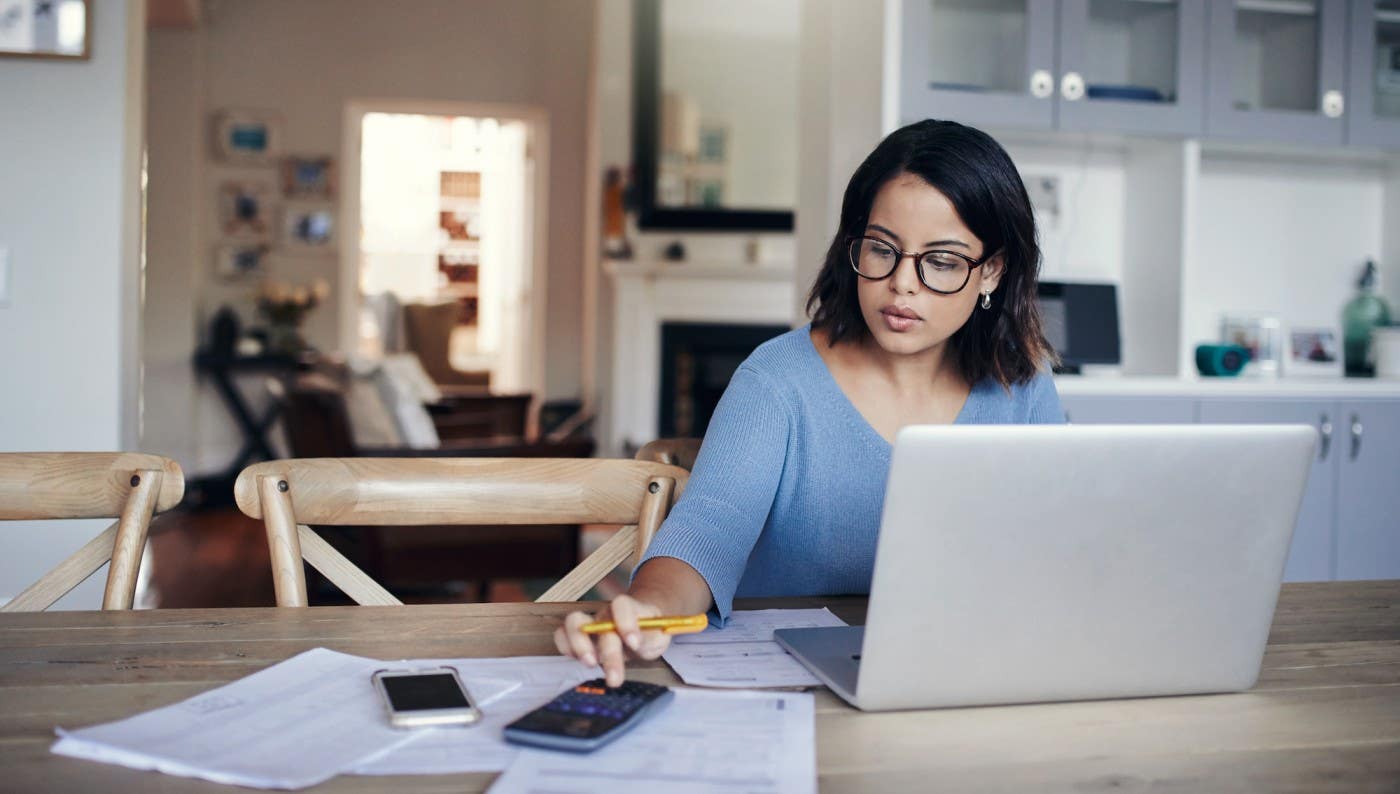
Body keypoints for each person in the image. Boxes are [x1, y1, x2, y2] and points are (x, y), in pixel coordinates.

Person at [555, 119, 1064, 686]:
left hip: (960, 676)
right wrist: (648, 609)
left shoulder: (1023, 385)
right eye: (882, 250)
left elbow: (1057, 551)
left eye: (941, 261)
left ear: (991, 270)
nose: (902, 284)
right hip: (786, 685)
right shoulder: (775, 382)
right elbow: (706, 532)